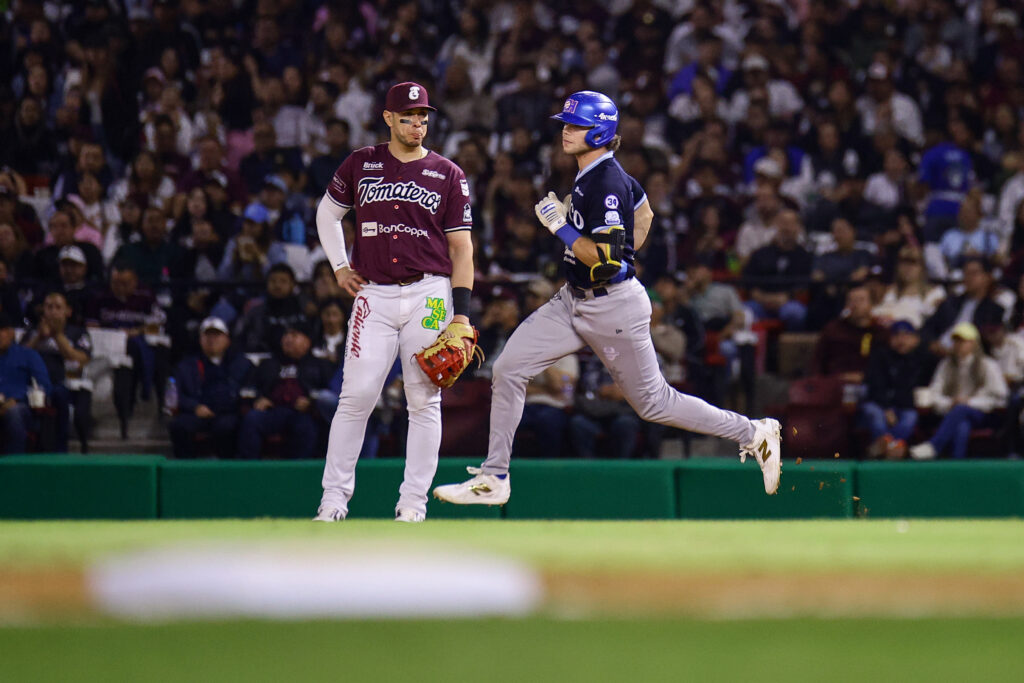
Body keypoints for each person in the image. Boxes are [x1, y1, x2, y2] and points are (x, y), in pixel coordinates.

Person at [433, 90, 782, 507]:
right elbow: (645, 212)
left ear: (599, 131)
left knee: (655, 403)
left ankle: (753, 432)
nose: (566, 130)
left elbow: (606, 259)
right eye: (566, 122)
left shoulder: (606, 181)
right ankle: (494, 477)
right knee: (508, 368)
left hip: (612, 305)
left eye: (576, 124)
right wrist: (603, 243)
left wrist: (563, 229)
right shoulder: (597, 172)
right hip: (572, 299)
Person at [313, 82, 476, 523]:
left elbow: (462, 248)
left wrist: (460, 312)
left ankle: (413, 505)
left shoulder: (448, 172)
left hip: (431, 294)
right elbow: (327, 213)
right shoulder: (361, 163)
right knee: (357, 395)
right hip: (374, 292)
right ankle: (333, 500)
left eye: (423, 116)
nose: (417, 123)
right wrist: (339, 267)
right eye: (408, 116)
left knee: (424, 399)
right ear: (388, 118)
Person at [910, 322, 1008, 460]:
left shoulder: (988, 365)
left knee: (962, 409)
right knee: (962, 425)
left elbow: (1000, 398)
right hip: (953, 413)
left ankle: (933, 446)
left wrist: (970, 402)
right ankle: (957, 464)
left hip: (984, 414)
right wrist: (950, 403)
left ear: (973, 343)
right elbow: (935, 393)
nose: (958, 344)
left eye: (963, 341)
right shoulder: (946, 365)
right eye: (956, 341)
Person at [238, 321, 334, 460]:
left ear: (307, 341)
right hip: (273, 411)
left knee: (307, 428)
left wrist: (311, 402)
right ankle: (249, 471)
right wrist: (258, 399)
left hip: (303, 413)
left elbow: (330, 394)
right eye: (286, 335)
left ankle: (299, 473)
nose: (288, 339)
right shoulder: (268, 363)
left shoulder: (319, 365)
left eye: (294, 335)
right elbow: (247, 390)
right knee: (252, 419)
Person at [168, 317, 252, 458]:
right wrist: (194, 407)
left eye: (217, 335)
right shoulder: (185, 365)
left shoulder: (241, 364)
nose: (212, 340)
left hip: (227, 412)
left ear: (227, 339)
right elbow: (174, 395)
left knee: (227, 426)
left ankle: (227, 469)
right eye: (207, 335)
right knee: (179, 426)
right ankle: (185, 470)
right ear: (200, 339)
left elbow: (247, 391)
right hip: (197, 412)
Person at [21, 292, 92, 452]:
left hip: (65, 384)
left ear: (68, 311)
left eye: (58, 307)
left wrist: (57, 335)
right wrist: (39, 337)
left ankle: (60, 451)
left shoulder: (78, 332)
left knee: (59, 395)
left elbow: (80, 359)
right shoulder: (32, 332)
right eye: (49, 307)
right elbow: (19, 357)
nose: (53, 311)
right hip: (33, 385)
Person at [861, 320, 930, 459]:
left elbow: (910, 391)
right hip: (879, 404)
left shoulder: (920, 359)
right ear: (890, 338)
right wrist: (886, 408)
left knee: (911, 417)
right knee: (874, 414)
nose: (901, 340)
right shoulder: (880, 356)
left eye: (906, 336)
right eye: (897, 336)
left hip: (904, 406)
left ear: (914, 339)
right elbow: (875, 386)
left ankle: (882, 449)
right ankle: (890, 449)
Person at [0, 311, 52, 454]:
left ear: (11, 333)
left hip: (21, 406)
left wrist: (17, 399)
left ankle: (15, 464)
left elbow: (44, 386)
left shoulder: (28, 355)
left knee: (13, 413)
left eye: (1, 331)